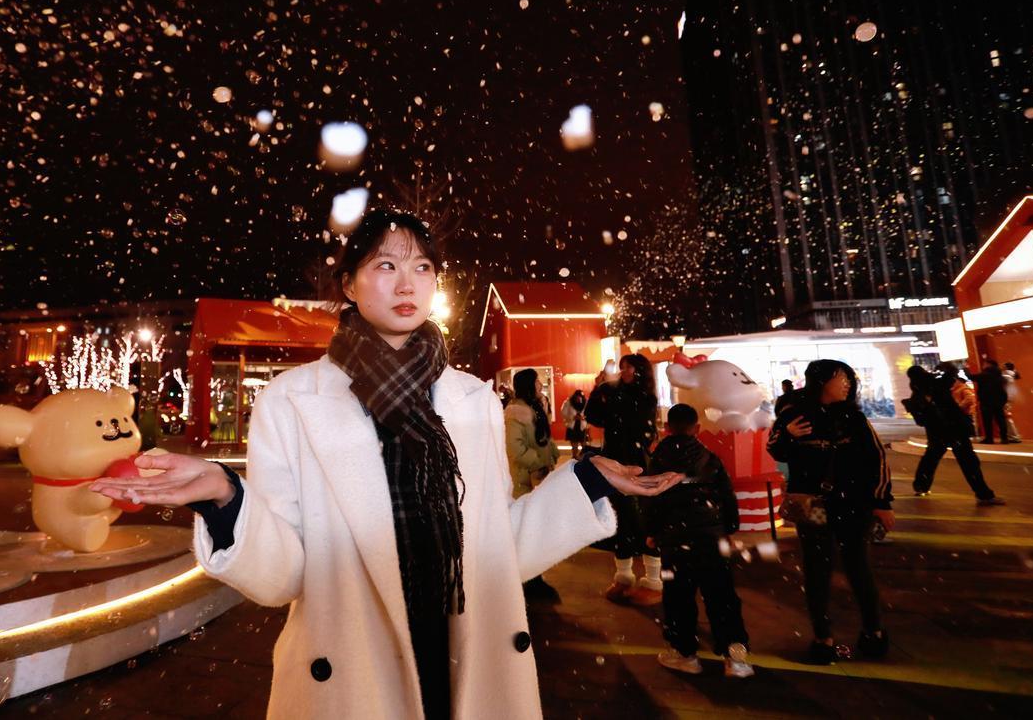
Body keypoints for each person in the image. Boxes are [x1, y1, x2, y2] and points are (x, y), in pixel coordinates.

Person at [90, 208, 682, 720]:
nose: (407, 283)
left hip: (464, 655)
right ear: (349, 284)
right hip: (354, 669)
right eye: (385, 265)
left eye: (422, 267)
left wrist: (583, 482)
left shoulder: (471, 400)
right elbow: (285, 576)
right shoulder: (292, 401)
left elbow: (494, 551)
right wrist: (226, 499)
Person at [767, 359, 893, 665]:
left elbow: (876, 459)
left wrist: (881, 501)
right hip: (814, 505)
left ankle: (873, 632)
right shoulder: (794, 414)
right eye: (841, 379)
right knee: (817, 570)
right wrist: (788, 435)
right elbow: (775, 449)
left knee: (858, 567)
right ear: (822, 381)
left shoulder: (854, 418)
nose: (847, 384)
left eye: (848, 379)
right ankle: (823, 638)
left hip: (853, 504)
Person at [643, 404, 754, 678]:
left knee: (678, 597)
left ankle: (685, 654)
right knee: (722, 596)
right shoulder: (710, 458)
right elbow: (726, 496)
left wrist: (651, 532)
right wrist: (729, 527)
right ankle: (735, 658)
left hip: (674, 540)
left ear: (666, 428)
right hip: (711, 537)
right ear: (697, 428)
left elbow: (651, 499)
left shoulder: (658, 460)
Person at [585, 353, 663, 606]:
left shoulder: (645, 397)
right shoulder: (614, 392)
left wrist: (607, 392)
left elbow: (628, 420)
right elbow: (594, 416)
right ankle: (624, 576)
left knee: (642, 520)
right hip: (614, 463)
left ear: (639, 370)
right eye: (622, 367)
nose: (623, 371)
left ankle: (653, 580)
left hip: (637, 466)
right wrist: (598, 389)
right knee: (619, 519)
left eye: (628, 367)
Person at [905, 366, 1004, 505]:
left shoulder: (916, 396)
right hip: (955, 430)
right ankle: (983, 494)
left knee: (930, 460)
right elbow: (951, 374)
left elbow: (920, 421)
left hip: (937, 434)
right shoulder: (938, 386)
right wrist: (945, 367)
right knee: (969, 463)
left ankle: (921, 486)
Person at [505, 368, 562, 601]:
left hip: (538, 478)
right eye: (537, 381)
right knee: (526, 531)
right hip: (523, 481)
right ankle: (527, 581)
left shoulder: (536, 408)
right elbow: (514, 448)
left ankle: (534, 578)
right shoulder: (515, 413)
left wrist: (553, 454)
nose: (541, 384)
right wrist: (539, 462)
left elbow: (544, 439)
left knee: (536, 530)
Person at [970, 359, 1012, 445]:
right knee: (1000, 419)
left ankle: (989, 438)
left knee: (987, 421)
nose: (983, 366)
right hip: (999, 400)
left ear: (988, 364)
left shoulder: (984, 374)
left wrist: (966, 369)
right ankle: (1004, 438)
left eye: (984, 364)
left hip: (986, 400)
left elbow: (972, 377)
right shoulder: (999, 375)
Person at [560, 389, 589, 458]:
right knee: (574, 445)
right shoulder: (568, 402)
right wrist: (572, 417)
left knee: (584, 444)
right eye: (577, 397)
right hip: (572, 426)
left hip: (583, 426)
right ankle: (574, 457)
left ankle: (583, 458)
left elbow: (590, 413)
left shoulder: (586, 402)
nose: (579, 399)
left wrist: (583, 417)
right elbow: (563, 413)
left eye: (580, 397)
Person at [1003, 363, 1023, 442]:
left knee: (1007, 417)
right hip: (1009, 397)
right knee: (1007, 417)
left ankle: (1014, 436)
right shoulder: (1011, 375)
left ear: (1006, 367)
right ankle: (1012, 435)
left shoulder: (1006, 375)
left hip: (1006, 398)